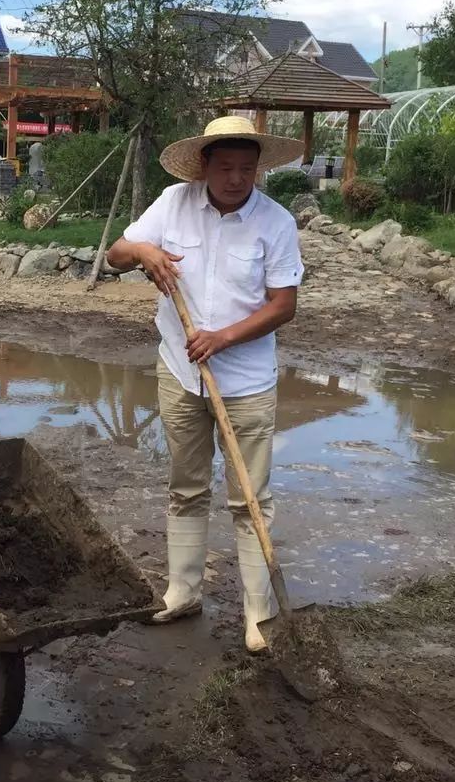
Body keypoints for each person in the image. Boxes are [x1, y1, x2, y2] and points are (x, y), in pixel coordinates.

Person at [106, 116, 305, 653]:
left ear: (258, 169)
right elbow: (116, 255)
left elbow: (283, 305)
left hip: (246, 382)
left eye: (247, 168)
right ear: (205, 167)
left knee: (250, 499)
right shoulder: (173, 203)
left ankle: (259, 617)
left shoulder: (276, 223)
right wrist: (144, 253)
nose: (237, 178)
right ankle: (181, 592)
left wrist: (224, 338)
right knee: (186, 486)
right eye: (226, 168)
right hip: (178, 370)